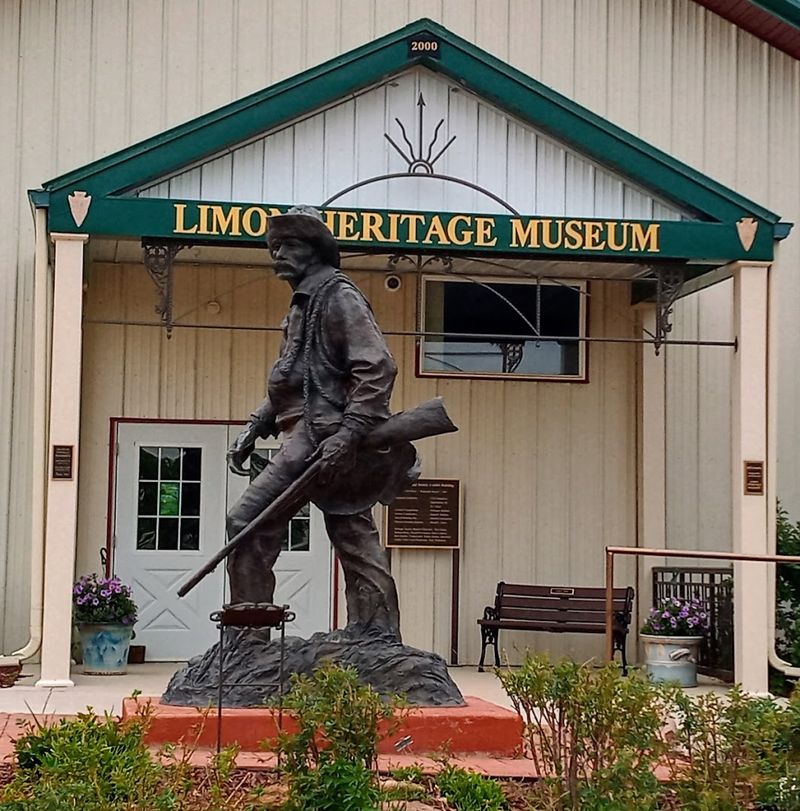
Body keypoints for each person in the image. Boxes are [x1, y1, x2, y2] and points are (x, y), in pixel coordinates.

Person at [225, 206, 413, 640]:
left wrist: (347, 436)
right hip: (306, 432)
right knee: (354, 535)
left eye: (289, 246)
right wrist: (257, 425)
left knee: (246, 523)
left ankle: (248, 640)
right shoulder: (301, 307)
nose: (278, 255)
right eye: (274, 247)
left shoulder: (336, 295)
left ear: (315, 250)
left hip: (321, 436)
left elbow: (377, 367)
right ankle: (375, 632)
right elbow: (293, 376)